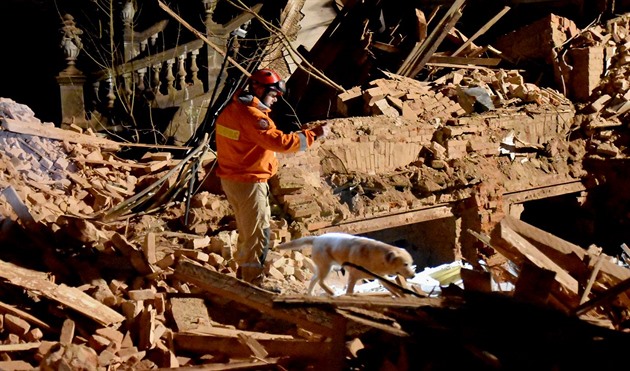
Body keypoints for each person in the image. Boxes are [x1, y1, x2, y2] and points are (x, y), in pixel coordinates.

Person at [215, 68, 329, 285]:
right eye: (273, 95)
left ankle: (243, 277)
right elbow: (280, 142)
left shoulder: (233, 109)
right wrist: (314, 134)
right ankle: (253, 283)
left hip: (232, 179)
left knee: (248, 232)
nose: (276, 100)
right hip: (249, 182)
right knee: (259, 235)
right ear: (257, 88)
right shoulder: (254, 117)